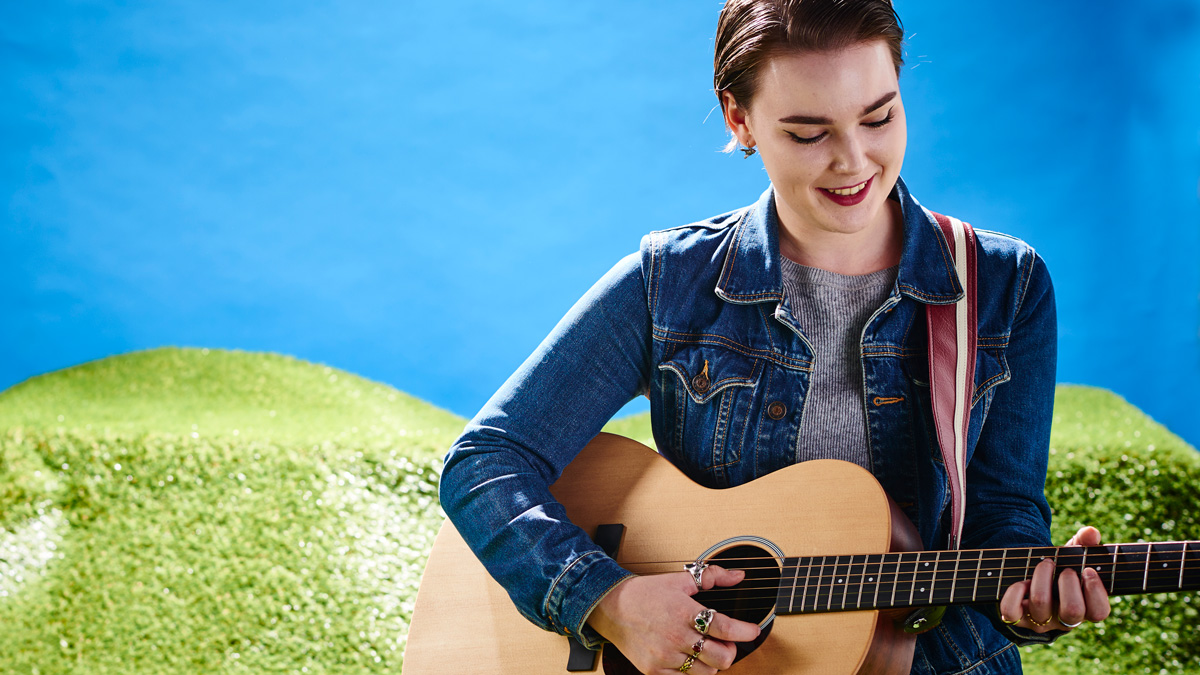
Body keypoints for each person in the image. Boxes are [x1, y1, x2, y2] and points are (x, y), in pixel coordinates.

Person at [439, 1, 1111, 673]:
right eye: (808, 132)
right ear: (740, 119)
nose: (854, 161)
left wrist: (1034, 598)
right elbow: (484, 461)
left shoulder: (1004, 286)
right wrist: (608, 599)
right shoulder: (668, 283)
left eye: (879, 116)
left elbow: (1004, 512)